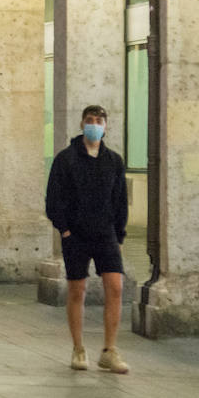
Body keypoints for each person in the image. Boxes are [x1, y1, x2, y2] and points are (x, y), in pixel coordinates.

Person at [46, 105, 130, 374]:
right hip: (77, 234)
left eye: (100, 120)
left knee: (115, 286)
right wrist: (65, 229)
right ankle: (78, 348)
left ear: (106, 126)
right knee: (77, 290)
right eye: (91, 120)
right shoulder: (66, 159)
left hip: (106, 233)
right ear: (82, 124)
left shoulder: (114, 161)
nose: (95, 124)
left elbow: (119, 200)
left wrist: (119, 232)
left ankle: (109, 350)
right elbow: (54, 197)